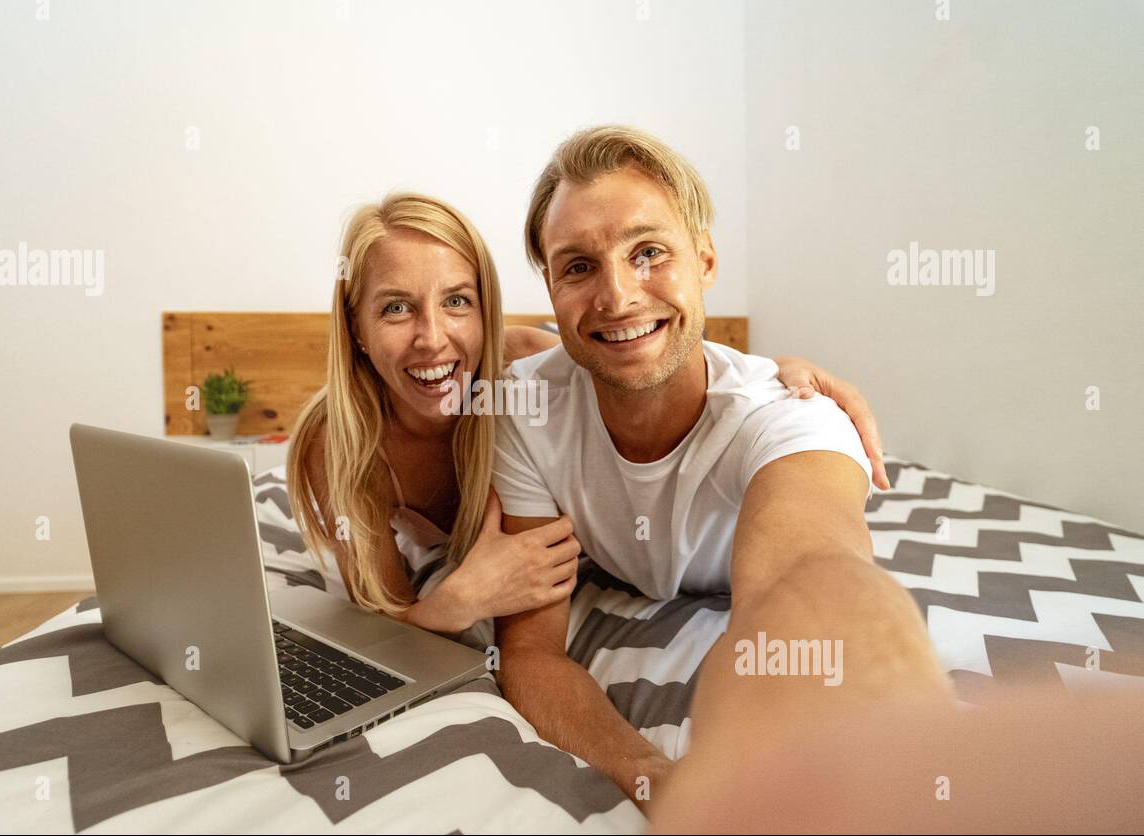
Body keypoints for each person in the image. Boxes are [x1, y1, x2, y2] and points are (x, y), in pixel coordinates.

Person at [491, 125, 951, 809]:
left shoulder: (791, 417)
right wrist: (657, 778)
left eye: (648, 252)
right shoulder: (523, 408)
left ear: (705, 261)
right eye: (578, 267)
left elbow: (812, 573)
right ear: (552, 288)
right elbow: (531, 654)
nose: (617, 296)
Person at [286, 191, 887, 645]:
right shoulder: (337, 444)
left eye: (457, 301)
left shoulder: (517, 369)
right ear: (356, 329)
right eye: (395, 308)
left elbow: (632, 360)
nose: (433, 340)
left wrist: (771, 375)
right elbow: (389, 617)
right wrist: (456, 602)